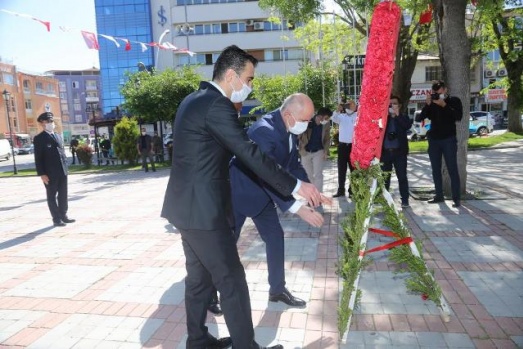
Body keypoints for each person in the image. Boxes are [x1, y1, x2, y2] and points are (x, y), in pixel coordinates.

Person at [161, 45, 322, 349]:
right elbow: (248, 153)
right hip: (205, 212)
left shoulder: (192, 101)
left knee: (198, 280)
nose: (249, 86)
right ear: (232, 75)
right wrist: (294, 186)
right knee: (232, 281)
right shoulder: (217, 105)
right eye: (248, 79)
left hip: (185, 208)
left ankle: (198, 341)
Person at [228, 93, 325, 310]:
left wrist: (310, 189)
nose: (308, 124)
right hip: (239, 194)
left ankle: (277, 290)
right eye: (305, 120)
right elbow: (267, 174)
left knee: (275, 237)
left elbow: (291, 164)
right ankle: (209, 293)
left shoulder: (288, 128)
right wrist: (296, 207)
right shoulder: (264, 131)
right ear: (289, 115)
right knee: (224, 246)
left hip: (264, 196)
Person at [417, 80, 463, 207]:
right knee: (435, 169)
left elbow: (458, 116)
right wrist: (427, 105)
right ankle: (439, 195)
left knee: (452, 169)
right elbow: (420, 118)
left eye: (439, 90)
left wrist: (444, 105)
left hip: (448, 139)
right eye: (435, 91)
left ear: (445, 89)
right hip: (434, 140)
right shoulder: (432, 103)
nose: (437, 93)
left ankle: (456, 198)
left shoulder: (454, 101)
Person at [33, 112, 75, 227]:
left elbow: (62, 154)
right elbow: (38, 158)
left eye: (51, 121)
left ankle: (63, 215)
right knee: (51, 196)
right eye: (47, 121)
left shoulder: (57, 136)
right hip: (50, 173)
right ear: (42, 123)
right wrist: (42, 174)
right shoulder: (39, 138)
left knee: (63, 194)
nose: (50, 123)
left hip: (62, 171)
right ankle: (56, 219)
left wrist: (66, 167)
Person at [380, 95, 413, 208]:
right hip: (385, 153)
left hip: (399, 153)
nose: (392, 106)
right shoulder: (384, 119)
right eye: (390, 104)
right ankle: (385, 200)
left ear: (399, 105)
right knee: (385, 178)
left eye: (394, 104)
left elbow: (407, 126)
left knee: (402, 177)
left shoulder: (403, 117)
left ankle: (405, 200)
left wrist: (397, 114)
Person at [299, 106, 332, 192]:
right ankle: (312, 195)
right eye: (327, 118)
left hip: (319, 151)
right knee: (308, 176)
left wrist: (325, 151)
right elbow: (299, 135)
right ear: (321, 116)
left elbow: (327, 138)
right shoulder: (308, 121)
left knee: (318, 175)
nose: (328, 120)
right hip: (305, 151)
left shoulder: (326, 124)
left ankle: (319, 196)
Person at [331, 100, 357, 198]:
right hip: (342, 146)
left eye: (352, 104)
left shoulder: (357, 115)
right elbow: (333, 118)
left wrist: (354, 106)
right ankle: (341, 190)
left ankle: (352, 191)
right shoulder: (341, 117)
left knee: (353, 169)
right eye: (348, 104)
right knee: (341, 169)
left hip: (353, 146)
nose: (350, 106)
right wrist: (338, 110)